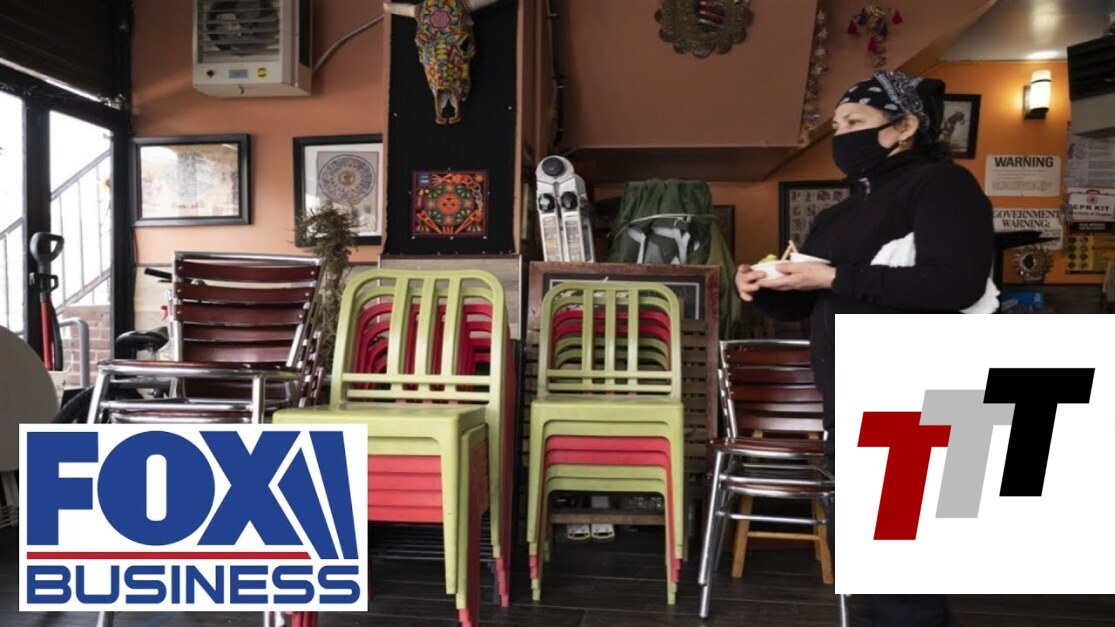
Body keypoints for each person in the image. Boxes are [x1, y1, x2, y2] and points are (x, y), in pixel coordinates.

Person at [736, 71, 996, 626]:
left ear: (904, 127)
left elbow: (955, 284)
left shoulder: (942, 185)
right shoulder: (838, 214)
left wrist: (832, 276)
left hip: (917, 399)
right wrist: (764, 288)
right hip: (850, 398)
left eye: (855, 121)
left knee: (902, 573)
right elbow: (811, 301)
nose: (842, 135)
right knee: (870, 562)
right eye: (836, 125)